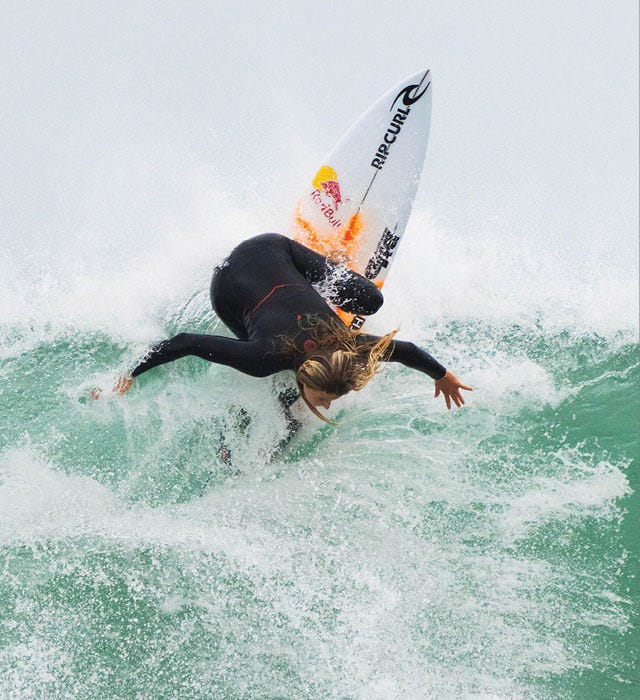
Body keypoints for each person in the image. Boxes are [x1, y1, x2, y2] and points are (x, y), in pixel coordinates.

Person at [106, 233, 472, 420]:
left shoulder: (350, 345)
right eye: (326, 398)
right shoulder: (264, 358)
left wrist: (442, 375)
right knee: (282, 397)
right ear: (308, 377)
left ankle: (327, 270)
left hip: (275, 250)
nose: (327, 406)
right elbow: (184, 342)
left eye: (326, 400)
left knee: (371, 301)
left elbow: (404, 351)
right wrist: (129, 374)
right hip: (232, 282)